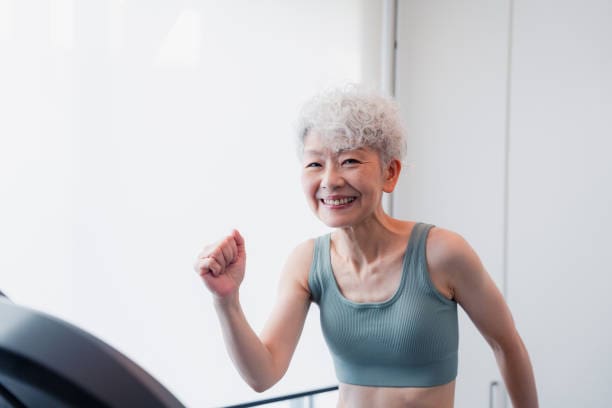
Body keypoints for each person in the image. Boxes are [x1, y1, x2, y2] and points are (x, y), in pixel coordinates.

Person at [194, 85, 538, 408]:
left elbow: (507, 346)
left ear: (390, 173)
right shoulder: (306, 262)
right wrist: (226, 300)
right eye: (315, 163)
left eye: (350, 161)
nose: (330, 180)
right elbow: (263, 374)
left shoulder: (442, 252)